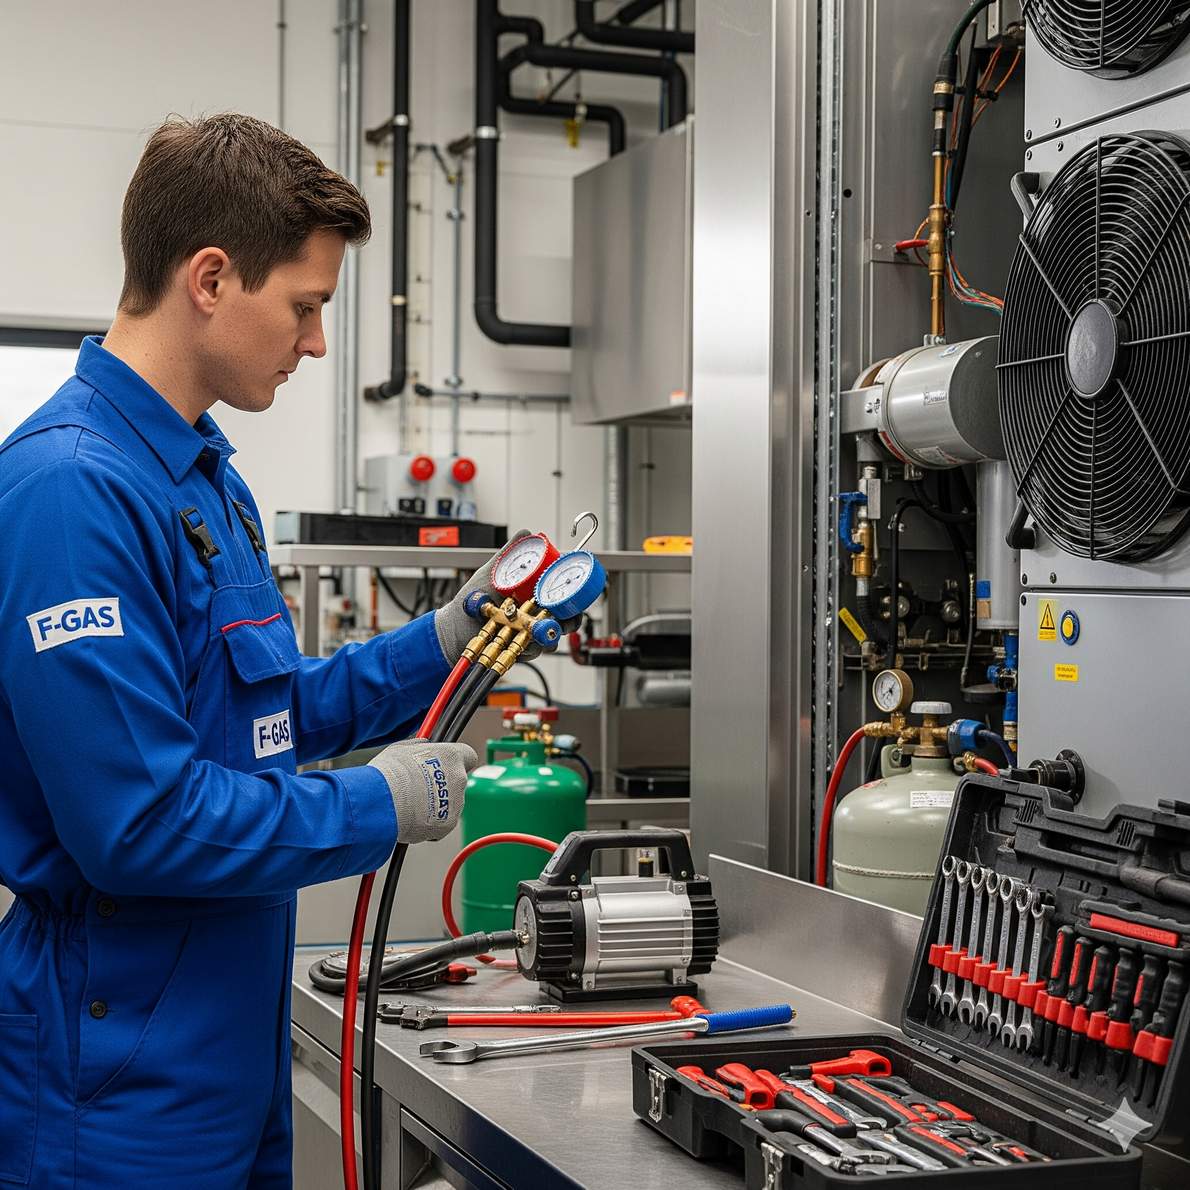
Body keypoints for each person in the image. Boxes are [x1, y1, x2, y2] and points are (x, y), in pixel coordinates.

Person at [0, 113, 512, 1187]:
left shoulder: (205, 480)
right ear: (211, 277)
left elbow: (265, 718)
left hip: (229, 1044)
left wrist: (448, 639)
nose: (316, 341)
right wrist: (379, 805)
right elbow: (139, 825)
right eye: (306, 305)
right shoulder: (71, 492)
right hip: (117, 1078)